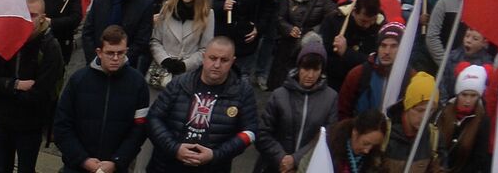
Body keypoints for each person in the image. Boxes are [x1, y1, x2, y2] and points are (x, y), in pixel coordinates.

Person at [144, 37, 258, 173]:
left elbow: (250, 131)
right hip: (167, 166)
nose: (217, 65)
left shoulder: (243, 92)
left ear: (233, 61)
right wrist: (174, 148)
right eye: (213, 58)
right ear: (204, 57)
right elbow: (153, 118)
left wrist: (216, 155)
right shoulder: (179, 84)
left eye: (224, 60)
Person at [0, 0, 66, 173]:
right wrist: (15, 85)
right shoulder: (7, 39)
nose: (28, 19)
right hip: (4, 121)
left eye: (33, 15)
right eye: (25, 13)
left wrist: (6, 90)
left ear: (43, 18)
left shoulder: (50, 49)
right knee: (1, 168)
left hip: (30, 125)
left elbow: (41, 94)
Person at [53, 26, 151, 173]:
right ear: (99, 52)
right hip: (77, 167)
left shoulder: (138, 83)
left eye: (121, 53)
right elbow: (62, 124)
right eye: (110, 53)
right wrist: (83, 160)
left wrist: (117, 161)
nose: (116, 58)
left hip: (116, 167)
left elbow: (139, 129)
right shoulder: (79, 80)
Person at [255, 42, 338, 173]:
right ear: (298, 67)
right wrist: (281, 158)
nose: (310, 75)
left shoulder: (331, 98)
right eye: (306, 68)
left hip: (308, 167)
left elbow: (327, 136)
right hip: (274, 166)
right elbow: (262, 133)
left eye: (316, 69)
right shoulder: (279, 95)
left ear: (322, 70)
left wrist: (295, 159)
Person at [83, 0, 156, 71]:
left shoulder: (145, 4)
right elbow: (88, 31)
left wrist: (120, 61)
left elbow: (141, 40)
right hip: (95, 65)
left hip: (125, 68)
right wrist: (95, 60)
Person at [150, 0, 211, 89]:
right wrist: (165, 60)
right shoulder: (168, 7)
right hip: (162, 72)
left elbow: (205, 49)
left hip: (188, 74)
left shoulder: (207, 14)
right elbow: (155, 40)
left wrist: (184, 65)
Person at [432, 64, 488, 173]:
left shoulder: (482, 121)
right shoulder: (443, 112)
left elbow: (478, 159)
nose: (467, 101)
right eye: (464, 95)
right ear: (458, 94)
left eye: (473, 96)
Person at [304, 110, 389, 173]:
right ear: (355, 132)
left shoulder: (377, 161)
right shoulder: (328, 145)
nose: (367, 150)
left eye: (374, 146)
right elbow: (305, 166)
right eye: (365, 143)